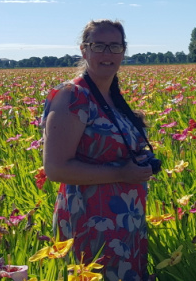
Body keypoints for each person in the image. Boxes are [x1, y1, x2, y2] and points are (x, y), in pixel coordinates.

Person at [42, 19, 153, 281]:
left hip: (127, 221)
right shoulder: (72, 96)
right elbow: (56, 169)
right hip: (90, 222)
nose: (107, 53)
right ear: (84, 50)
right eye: (98, 46)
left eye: (114, 46)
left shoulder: (113, 98)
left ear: (124, 51)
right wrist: (122, 174)